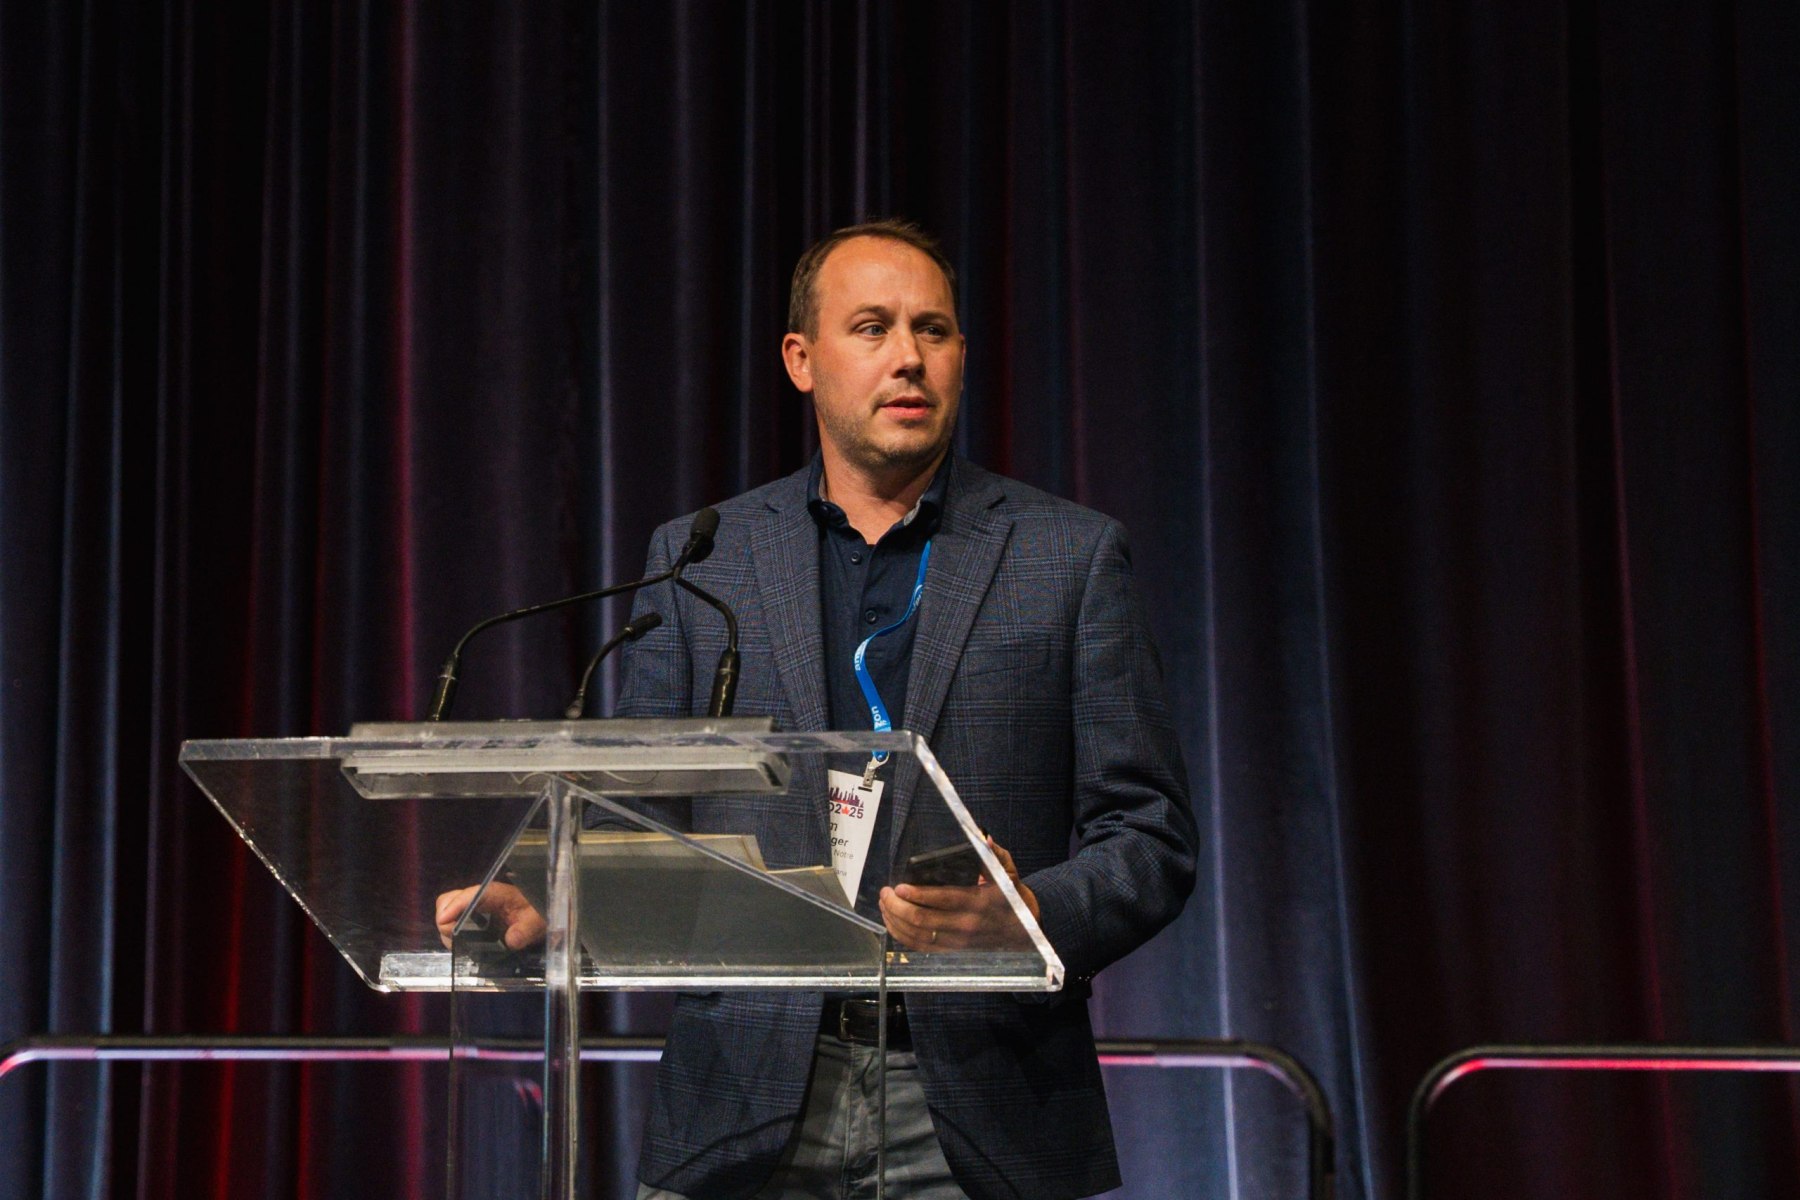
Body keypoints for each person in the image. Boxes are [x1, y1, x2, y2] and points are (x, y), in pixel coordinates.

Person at [609, 220, 1198, 1200]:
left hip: (985, 1103)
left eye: (933, 329)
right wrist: (546, 894)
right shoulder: (704, 556)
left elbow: (1150, 835)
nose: (909, 357)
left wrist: (1028, 915)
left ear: (962, 353)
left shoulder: (1070, 557)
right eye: (873, 327)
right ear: (802, 360)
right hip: (744, 1102)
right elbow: (633, 815)